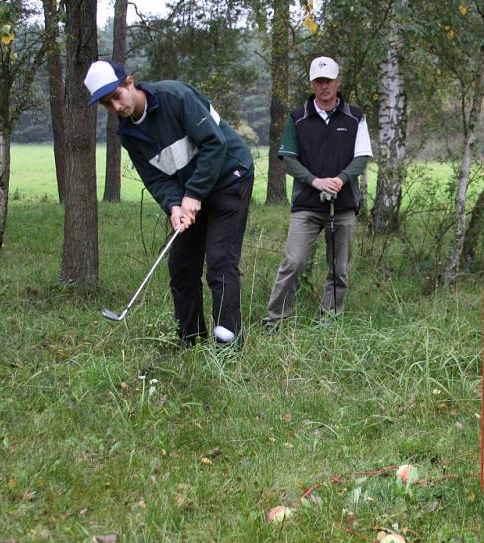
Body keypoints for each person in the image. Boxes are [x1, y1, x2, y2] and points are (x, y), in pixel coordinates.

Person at [84, 60, 254, 347]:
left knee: (220, 261)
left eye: (115, 97)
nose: (115, 108)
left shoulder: (175, 97)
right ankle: (190, 341)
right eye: (106, 104)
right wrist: (175, 206)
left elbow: (214, 144)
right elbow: (156, 179)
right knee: (181, 266)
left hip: (229, 177)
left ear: (129, 82)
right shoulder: (129, 135)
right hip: (190, 192)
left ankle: (229, 345)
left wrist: (194, 194)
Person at [264, 57, 373, 331]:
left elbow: (362, 158)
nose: (324, 86)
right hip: (307, 206)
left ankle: (329, 322)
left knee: (339, 269)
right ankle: (274, 321)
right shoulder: (297, 118)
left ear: (338, 82)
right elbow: (288, 159)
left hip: (344, 204)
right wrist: (315, 181)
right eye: (318, 81)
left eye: (329, 81)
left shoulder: (355, 117)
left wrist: (340, 179)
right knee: (293, 262)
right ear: (311, 84)